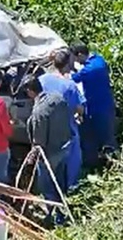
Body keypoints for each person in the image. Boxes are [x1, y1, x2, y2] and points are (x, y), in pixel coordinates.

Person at [21, 74, 72, 226]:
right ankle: (63, 208)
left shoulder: (38, 113)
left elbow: (39, 143)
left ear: (30, 91)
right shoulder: (58, 98)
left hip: (49, 156)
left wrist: (31, 159)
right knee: (60, 181)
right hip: (64, 147)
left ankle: (54, 217)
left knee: (48, 186)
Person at [39, 49, 85, 192]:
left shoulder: (42, 79)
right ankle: (71, 188)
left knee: (48, 163)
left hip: (46, 129)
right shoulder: (69, 85)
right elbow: (79, 108)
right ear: (67, 64)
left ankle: (49, 193)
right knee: (72, 161)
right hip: (66, 129)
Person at [70, 42, 117, 168]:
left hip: (100, 108)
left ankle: (111, 164)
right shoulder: (98, 59)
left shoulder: (90, 69)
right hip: (100, 105)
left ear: (80, 54)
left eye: (75, 58)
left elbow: (73, 79)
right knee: (101, 135)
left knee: (105, 136)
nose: (75, 61)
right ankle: (104, 162)